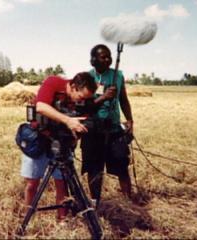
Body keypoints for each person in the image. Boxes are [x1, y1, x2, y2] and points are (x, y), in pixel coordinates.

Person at [21, 72, 97, 220]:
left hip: (62, 143)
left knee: (62, 183)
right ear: (73, 87)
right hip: (40, 138)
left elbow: (84, 118)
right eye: (81, 97)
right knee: (32, 183)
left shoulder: (84, 100)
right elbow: (41, 107)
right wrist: (68, 121)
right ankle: (27, 217)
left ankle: (62, 220)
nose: (82, 101)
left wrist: (78, 133)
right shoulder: (53, 82)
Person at [81, 44, 134, 205]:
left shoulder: (117, 75)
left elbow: (123, 99)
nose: (108, 59)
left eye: (109, 56)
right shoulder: (87, 78)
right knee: (94, 169)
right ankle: (95, 202)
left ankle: (127, 202)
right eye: (103, 56)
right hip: (93, 130)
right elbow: (85, 105)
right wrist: (103, 97)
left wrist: (130, 119)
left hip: (114, 129)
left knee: (121, 165)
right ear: (93, 60)